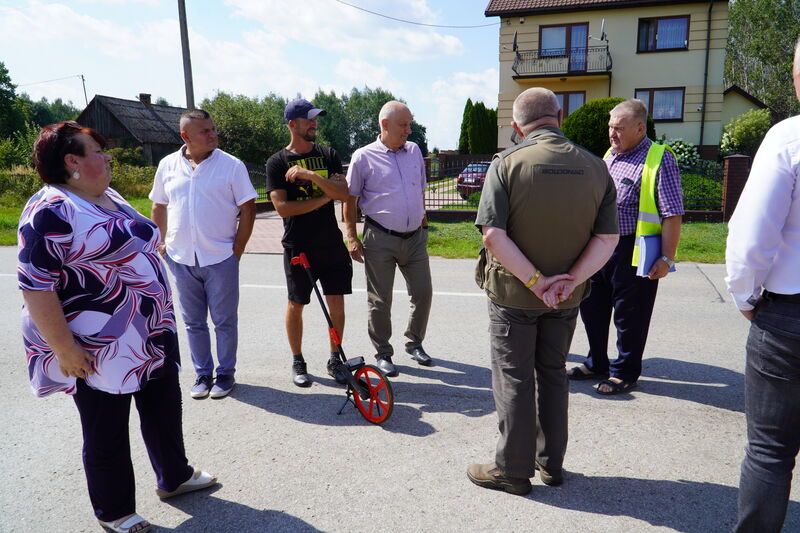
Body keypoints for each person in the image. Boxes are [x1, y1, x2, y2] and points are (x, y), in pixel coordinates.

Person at [19, 121, 216, 533]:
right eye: (98, 151)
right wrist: (65, 349)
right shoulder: (51, 208)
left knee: (163, 408)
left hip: (148, 332)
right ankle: (114, 510)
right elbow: (36, 287)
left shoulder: (106, 195)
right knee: (105, 425)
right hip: (98, 343)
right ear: (72, 161)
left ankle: (174, 476)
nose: (107, 157)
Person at [467, 88, 619, 495]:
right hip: (566, 297)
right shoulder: (595, 166)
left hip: (514, 296)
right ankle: (552, 464)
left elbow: (493, 235)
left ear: (516, 126)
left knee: (514, 378)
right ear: (560, 115)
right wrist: (568, 281)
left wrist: (535, 282)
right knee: (552, 375)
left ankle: (512, 471)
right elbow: (607, 238)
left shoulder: (507, 164)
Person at [725, 38, 800, 533]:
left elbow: (751, 237)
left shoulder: (789, 137)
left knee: (770, 453)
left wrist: (745, 295)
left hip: (789, 317)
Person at [571, 99, 684, 395]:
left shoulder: (659, 158)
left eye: (619, 129)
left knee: (629, 316)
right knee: (592, 308)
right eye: (610, 127)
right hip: (599, 248)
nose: (612, 134)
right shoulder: (610, 155)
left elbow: (672, 213)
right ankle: (597, 362)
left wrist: (666, 258)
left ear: (640, 128)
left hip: (633, 249)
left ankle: (625, 371)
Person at [150, 109, 257, 399]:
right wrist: (160, 242)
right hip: (181, 258)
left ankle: (225, 375)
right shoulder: (167, 165)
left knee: (224, 321)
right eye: (205, 131)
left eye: (213, 129)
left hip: (220, 257)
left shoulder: (231, 166)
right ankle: (202, 374)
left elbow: (248, 207)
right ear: (185, 136)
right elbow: (159, 205)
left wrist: (237, 249)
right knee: (193, 322)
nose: (213, 135)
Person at [266, 99, 352, 387]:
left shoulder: (327, 154)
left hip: (330, 242)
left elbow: (345, 192)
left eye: (316, 119)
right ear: (293, 124)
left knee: (336, 301)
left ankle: (335, 359)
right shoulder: (277, 162)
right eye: (308, 119)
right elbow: (284, 208)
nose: (314, 123)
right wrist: (326, 195)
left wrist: (310, 175)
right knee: (296, 303)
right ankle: (298, 360)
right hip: (298, 245)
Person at [344, 101, 433, 377]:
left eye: (410, 124)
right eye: (403, 125)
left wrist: (424, 222)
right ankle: (383, 352)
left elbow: (419, 190)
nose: (409, 130)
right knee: (380, 300)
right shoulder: (363, 156)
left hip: (415, 237)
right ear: (384, 125)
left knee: (423, 292)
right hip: (379, 237)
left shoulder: (414, 151)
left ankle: (414, 342)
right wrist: (351, 236)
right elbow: (350, 199)